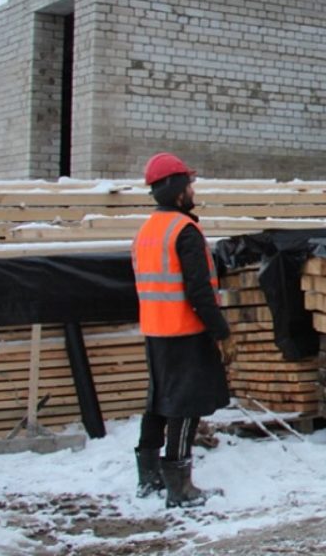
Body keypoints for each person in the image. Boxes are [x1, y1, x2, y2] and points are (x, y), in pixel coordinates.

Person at [132, 152, 231, 508]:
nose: (192, 190)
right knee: (185, 408)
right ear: (177, 192)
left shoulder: (148, 230)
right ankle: (180, 487)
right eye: (189, 184)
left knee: (158, 402)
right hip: (185, 331)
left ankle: (149, 476)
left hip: (156, 330)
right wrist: (220, 331)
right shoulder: (183, 231)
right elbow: (199, 290)